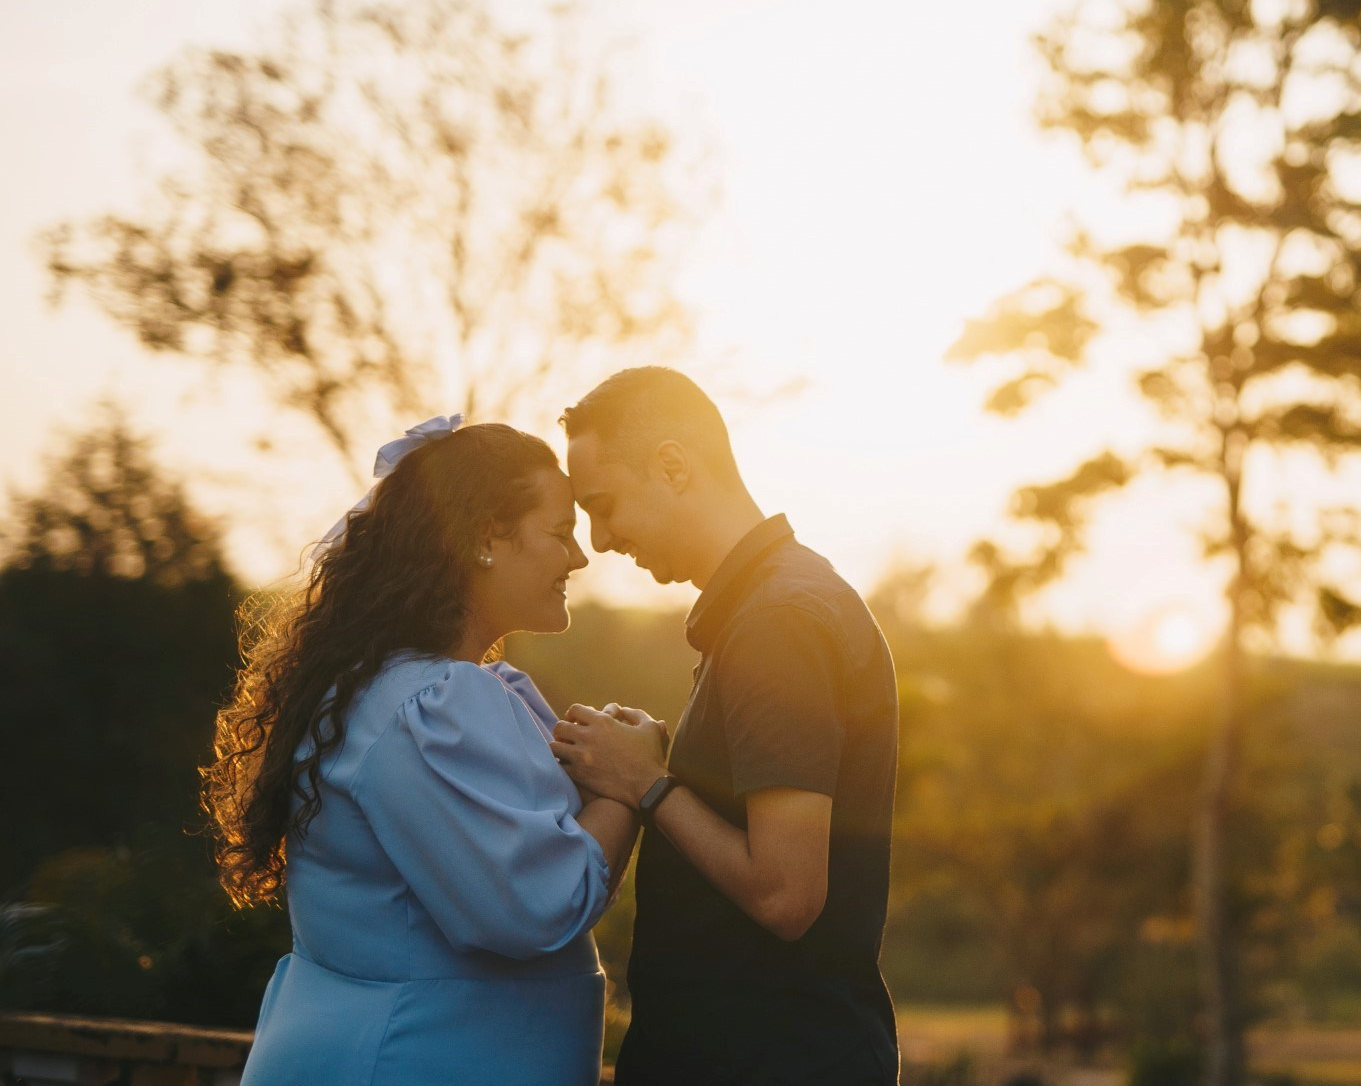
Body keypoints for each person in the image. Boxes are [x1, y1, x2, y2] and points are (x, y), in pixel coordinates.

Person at [204, 417, 640, 1086]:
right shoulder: (429, 706)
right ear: (487, 537)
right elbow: (533, 902)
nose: (578, 558)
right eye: (559, 532)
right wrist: (628, 787)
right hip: (405, 1060)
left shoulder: (404, 690)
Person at [551, 368, 900, 1084]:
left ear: (674, 466)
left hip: (776, 1060)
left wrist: (644, 781)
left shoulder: (777, 621)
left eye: (604, 504)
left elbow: (785, 892)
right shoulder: (761, 608)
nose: (602, 538)